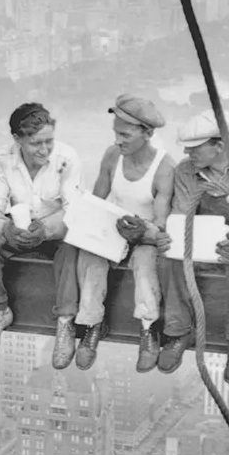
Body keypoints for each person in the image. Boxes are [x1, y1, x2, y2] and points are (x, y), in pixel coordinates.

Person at [157, 111, 229, 381]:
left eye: (194, 148)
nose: (187, 152)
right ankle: (178, 330)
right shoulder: (186, 171)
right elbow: (182, 215)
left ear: (219, 146)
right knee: (168, 257)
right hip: (199, 239)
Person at [0, 103, 82, 364]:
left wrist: (44, 230)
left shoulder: (67, 158)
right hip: (19, 227)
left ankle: (65, 321)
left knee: (72, 245)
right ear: (17, 139)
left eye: (49, 142)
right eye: (35, 144)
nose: (44, 150)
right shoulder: (2, 158)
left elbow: (73, 210)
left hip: (54, 229)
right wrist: (5, 228)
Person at [74, 94, 174, 370]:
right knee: (91, 255)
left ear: (148, 133)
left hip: (145, 235)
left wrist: (143, 231)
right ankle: (92, 323)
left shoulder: (164, 168)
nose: (118, 140)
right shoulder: (112, 155)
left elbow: (162, 222)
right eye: (116, 133)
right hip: (113, 228)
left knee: (144, 263)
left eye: (125, 135)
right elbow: (98, 200)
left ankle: (148, 327)